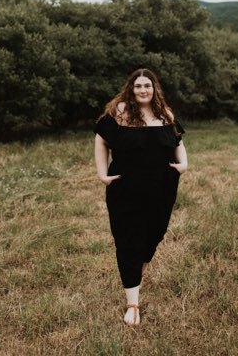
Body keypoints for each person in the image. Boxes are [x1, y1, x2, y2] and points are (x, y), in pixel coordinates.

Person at [93, 68, 188, 326]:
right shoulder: (119, 112)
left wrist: (183, 165)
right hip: (125, 189)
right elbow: (101, 140)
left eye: (148, 85)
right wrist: (102, 174)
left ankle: (135, 272)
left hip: (162, 188)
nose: (143, 90)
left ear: (154, 88)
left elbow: (178, 141)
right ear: (131, 89)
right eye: (138, 86)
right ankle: (132, 304)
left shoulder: (164, 113)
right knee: (128, 241)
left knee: (154, 235)